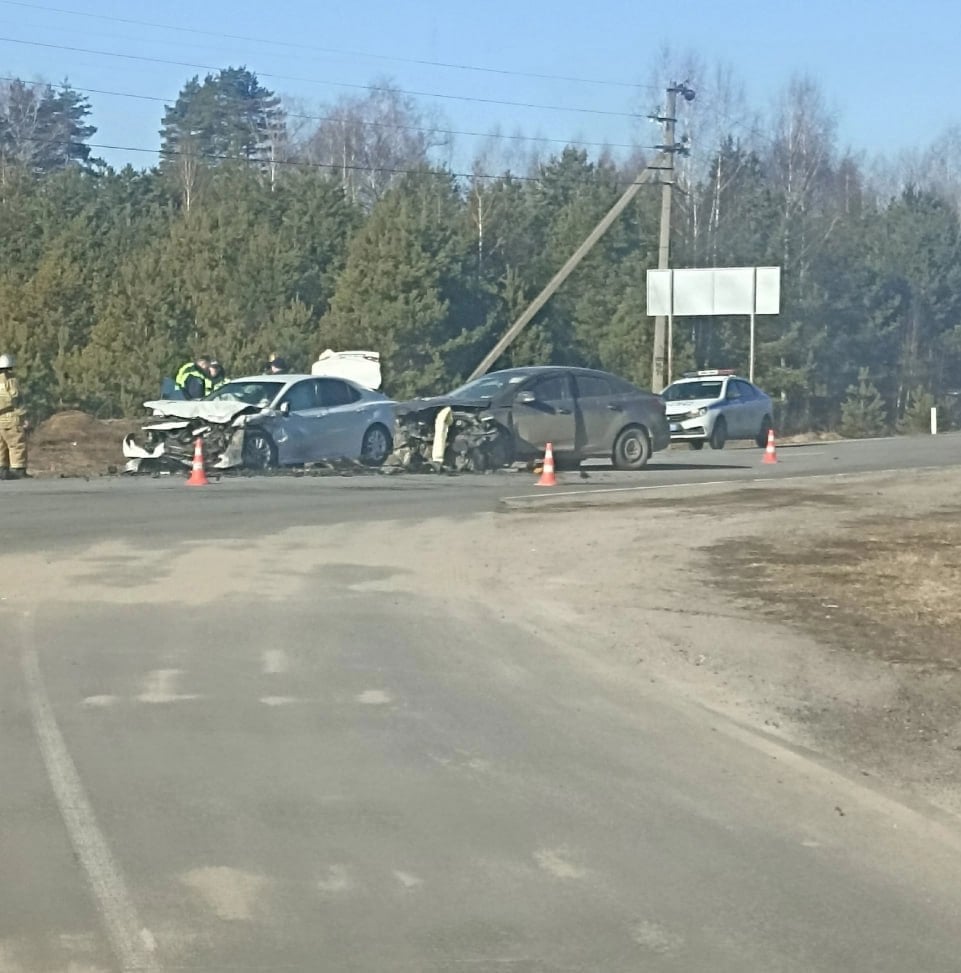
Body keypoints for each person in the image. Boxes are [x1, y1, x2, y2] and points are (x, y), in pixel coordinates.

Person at [0, 353, 28, 480]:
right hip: (11, 418)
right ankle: (18, 469)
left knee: (1, 445)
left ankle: (2, 469)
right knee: (16, 444)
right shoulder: (11, 380)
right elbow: (16, 397)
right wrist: (23, 414)